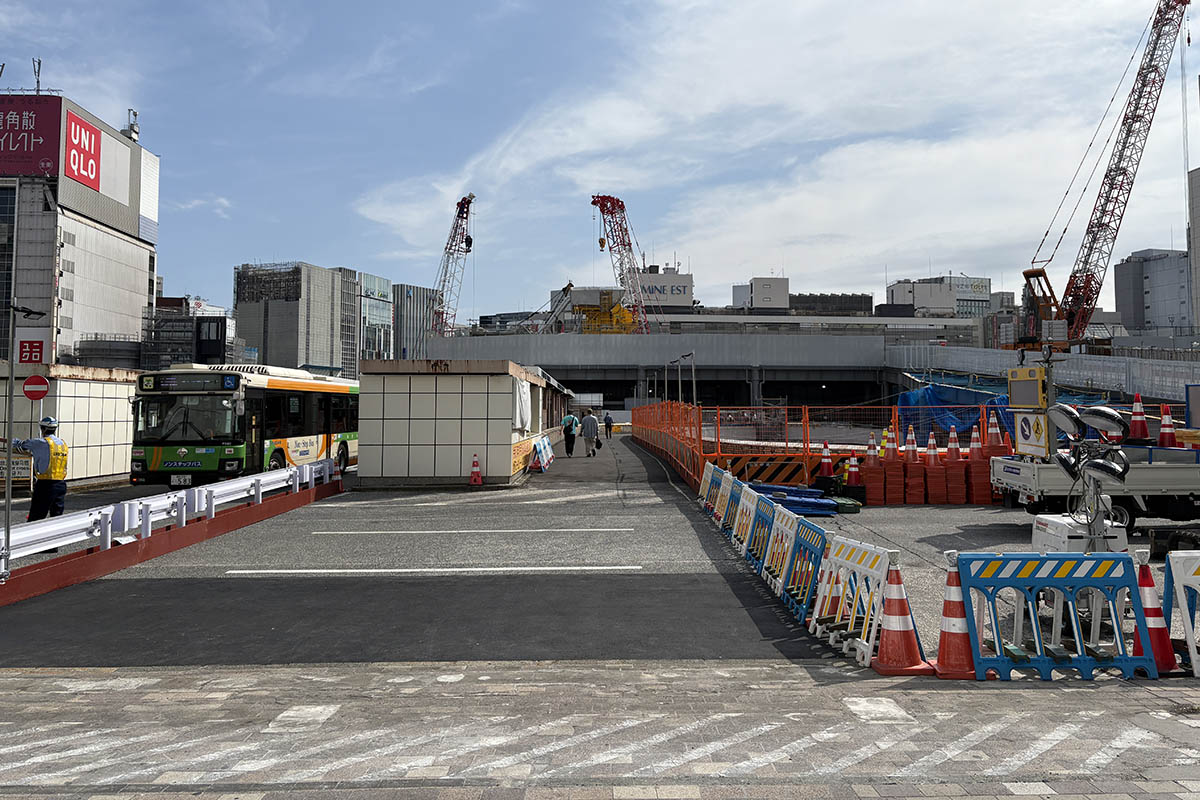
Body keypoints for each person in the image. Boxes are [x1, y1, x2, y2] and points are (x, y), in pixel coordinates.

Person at [10, 416, 70, 521]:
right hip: (61, 484)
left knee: (36, 517)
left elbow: (20, 445)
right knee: (56, 517)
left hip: (45, 485)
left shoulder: (40, 442)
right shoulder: (63, 444)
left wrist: (12, 441)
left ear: (43, 429)